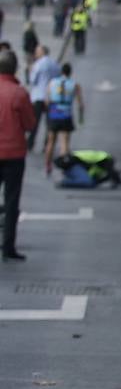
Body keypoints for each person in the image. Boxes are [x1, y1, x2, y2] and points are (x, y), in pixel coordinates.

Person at [0, 50, 36, 261]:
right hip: (13, 154)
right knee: (12, 201)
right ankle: (7, 246)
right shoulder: (19, 93)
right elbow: (30, 124)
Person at [44, 63, 84, 177]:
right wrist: (81, 118)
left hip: (54, 114)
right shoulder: (75, 85)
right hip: (66, 115)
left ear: (61, 71)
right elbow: (81, 104)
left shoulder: (52, 83)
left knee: (51, 141)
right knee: (64, 143)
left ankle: (48, 165)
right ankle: (65, 168)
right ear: (70, 72)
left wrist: (49, 112)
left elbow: (47, 101)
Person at [26, 45, 59, 152]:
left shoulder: (38, 64)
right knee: (49, 123)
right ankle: (47, 144)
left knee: (35, 122)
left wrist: (30, 70)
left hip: (38, 96)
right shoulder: (55, 64)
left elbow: (32, 80)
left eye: (37, 52)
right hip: (52, 97)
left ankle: (30, 143)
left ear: (42, 52)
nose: (36, 54)